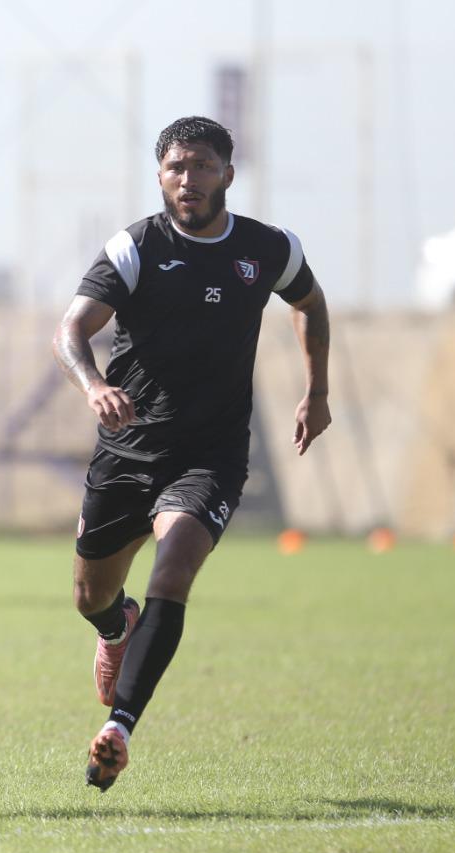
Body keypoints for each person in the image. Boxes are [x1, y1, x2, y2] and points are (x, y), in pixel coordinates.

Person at [52, 116, 331, 792]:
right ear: (160, 175)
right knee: (91, 594)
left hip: (210, 455)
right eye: (176, 167)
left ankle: (119, 727)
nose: (189, 179)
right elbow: (71, 328)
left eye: (202, 166)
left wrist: (317, 390)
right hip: (127, 450)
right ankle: (115, 627)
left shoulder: (268, 248)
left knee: (173, 573)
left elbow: (311, 302)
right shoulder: (135, 246)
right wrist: (93, 386)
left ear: (228, 175)